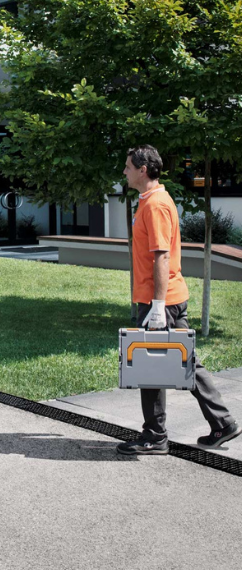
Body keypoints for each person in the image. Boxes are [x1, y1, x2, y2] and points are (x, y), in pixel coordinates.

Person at [117, 145, 241, 455]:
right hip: (167, 298)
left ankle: (154, 436)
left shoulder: (156, 204)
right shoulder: (150, 200)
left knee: (150, 365)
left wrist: (157, 307)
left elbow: (161, 256)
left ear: (143, 169)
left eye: (128, 166)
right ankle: (222, 423)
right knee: (185, 361)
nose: (124, 171)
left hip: (162, 301)